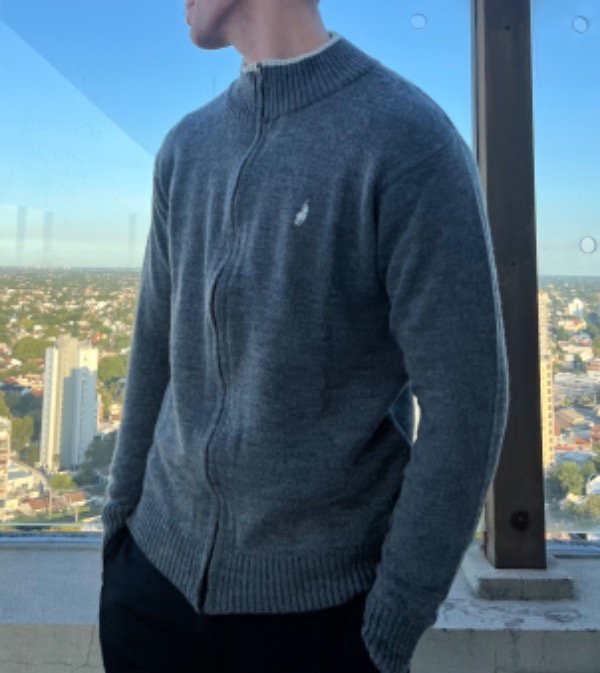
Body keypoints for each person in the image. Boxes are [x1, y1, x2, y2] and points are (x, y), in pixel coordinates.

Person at [99, 1, 510, 672]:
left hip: (321, 621)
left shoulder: (408, 139)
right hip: (149, 590)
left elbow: (468, 403)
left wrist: (388, 625)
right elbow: (154, 349)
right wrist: (119, 530)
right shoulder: (185, 147)